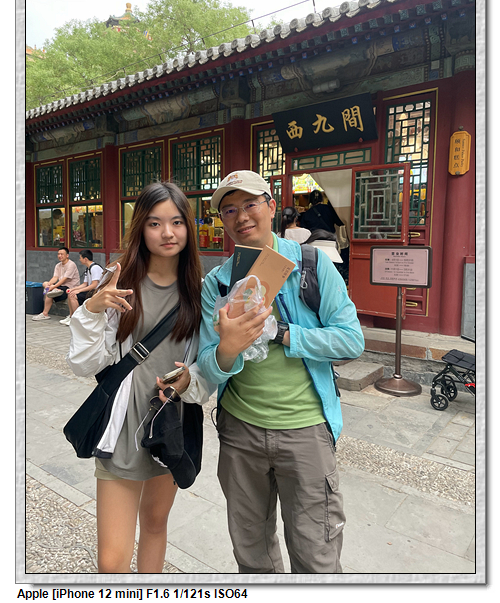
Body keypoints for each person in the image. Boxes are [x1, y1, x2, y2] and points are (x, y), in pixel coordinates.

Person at [197, 170, 365, 574]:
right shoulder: (217, 284)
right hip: (240, 433)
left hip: (305, 430)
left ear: (271, 206)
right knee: (251, 553)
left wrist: (284, 333)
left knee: (316, 556)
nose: (241, 216)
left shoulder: (311, 264)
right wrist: (227, 348)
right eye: (229, 210)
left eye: (250, 204)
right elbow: (207, 365)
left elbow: (350, 340)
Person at [66, 182, 212, 574]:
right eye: (155, 223)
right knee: (112, 561)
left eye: (177, 222)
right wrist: (92, 311)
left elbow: (206, 364)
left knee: (155, 523)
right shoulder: (120, 283)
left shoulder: (200, 291)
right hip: (124, 423)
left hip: (169, 421)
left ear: (188, 228)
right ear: (141, 228)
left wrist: (191, 378)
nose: (167, 232)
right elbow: (83, 364)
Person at [32, 247, 80, 321]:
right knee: (45, 283)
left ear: (67, 255)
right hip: (61, 286)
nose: (59, 256)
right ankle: (45, 314)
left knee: (50, 291)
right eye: (58, 254)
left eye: (62, 254)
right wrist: (49, 284)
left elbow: (64, 279)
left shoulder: (71, 265)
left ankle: (53, 292)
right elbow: (55, 277)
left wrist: (53, 286)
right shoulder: (58, 265)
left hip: (70, 287)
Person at [60, 250, 104, 326]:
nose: (79, 259)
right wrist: (73, 289)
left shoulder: (95, 268)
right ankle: (71, 317)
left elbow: (94, 285)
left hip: (96, 292)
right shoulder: (88, 269)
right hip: (91, 291)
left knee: (73, 296)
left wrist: (79, 291)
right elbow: (84, 284)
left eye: (80, 258)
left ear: (85, 259)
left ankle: (77, 319)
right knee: (71, 293)